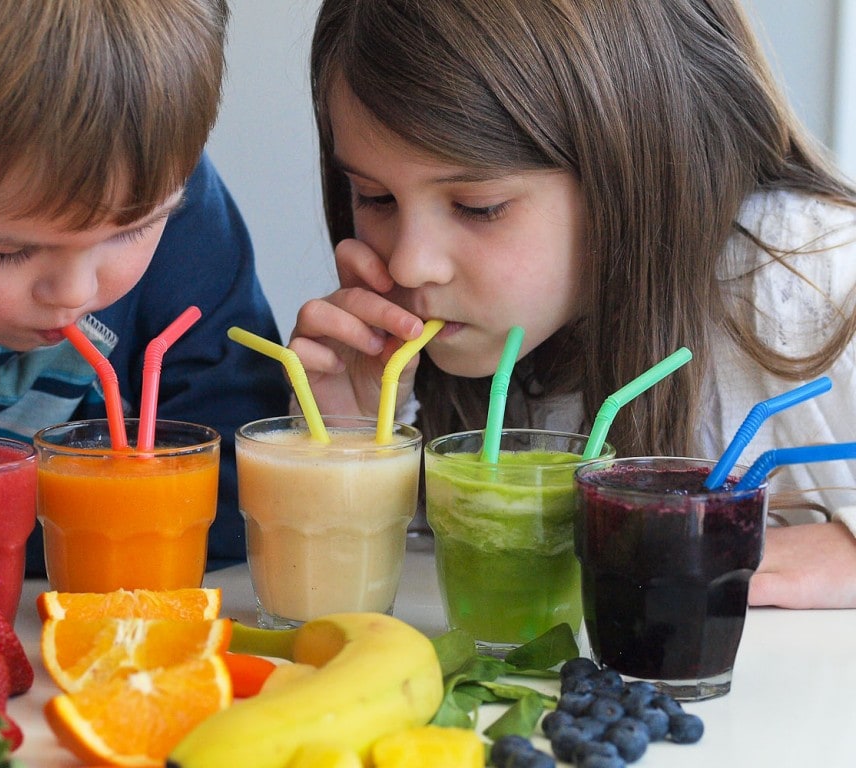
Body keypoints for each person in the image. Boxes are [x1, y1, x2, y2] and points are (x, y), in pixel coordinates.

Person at [289, 0, 856, 609]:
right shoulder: (486, 348)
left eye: (479, 206)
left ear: (639, 166)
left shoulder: (813, 275)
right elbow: (334, 608)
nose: (409, 263)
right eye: (375, 198)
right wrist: (349, 442)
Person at [0, 0, 288, 577]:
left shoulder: (168, 201)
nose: (75, 292)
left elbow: (241, 495)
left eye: (132, 230)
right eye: (7, 250)